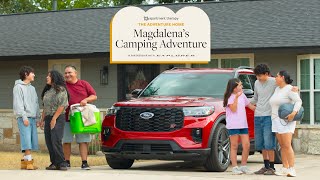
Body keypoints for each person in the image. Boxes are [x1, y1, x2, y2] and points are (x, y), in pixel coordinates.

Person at [251, 64, 298, 175]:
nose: (258, 78)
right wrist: (245, 102)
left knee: (270, 143)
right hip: (259, 115)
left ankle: (273, 167)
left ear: (267, 74)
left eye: (260, 75)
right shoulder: (257, 83)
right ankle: (266, 166)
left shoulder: (274, 82)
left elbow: (288, 88)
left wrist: (297, 88)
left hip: (270, 116)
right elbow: (256, 98)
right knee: (261, 143)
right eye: (256, 75)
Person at [63, 65, 97, 170]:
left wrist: (86, 100)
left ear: (75, 73)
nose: (67, 75)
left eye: (70, 72)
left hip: (82, 117)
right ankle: (67, 162)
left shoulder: (84, 84)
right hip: (66, 117)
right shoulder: (63, 86)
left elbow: (94, 96)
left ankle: (84, 162)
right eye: (66, 73)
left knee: (83, 140)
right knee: (66, 140)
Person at [269, 70, 302, 177]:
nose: (275, 78)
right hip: (275, 120)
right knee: (282, 145)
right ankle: (285, 167)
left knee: (287, 145)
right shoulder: (277, 89)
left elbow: (298, 101)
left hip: (286, 120)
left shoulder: (290, 89)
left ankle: (292, 169)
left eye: (277, 76)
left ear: (282, 77)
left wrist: (294, 112)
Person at [223, 78, 256, 175]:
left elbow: (250, 106)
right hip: (233, 125)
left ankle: (243, 166)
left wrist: (262, 109)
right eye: (240, 85)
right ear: (234, 88)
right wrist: (236, 97)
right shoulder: (229, 97)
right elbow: (233, 109)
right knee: (234, 146)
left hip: (243, 124)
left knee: (246, 145)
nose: (242, 87)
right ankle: (234, 167)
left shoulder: (243, 96)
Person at [13, 66, 40, 170]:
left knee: (32, 141)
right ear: (26, 74)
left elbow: (36, 104)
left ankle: (25, 163)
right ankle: (29, 162)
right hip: (24, 118)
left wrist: (37, 118)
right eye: (32, 73)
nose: (34, 75)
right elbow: (18, 103)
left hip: (33, 117)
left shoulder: (32, 88)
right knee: (27, 140)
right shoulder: (18, 87)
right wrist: (24, 117)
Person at [41, 70, 69, 171]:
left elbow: (62, 105)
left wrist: (54, 119)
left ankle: (62, 163)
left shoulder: (61, 90)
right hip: (48, 117)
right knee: (49, 141)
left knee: (56, 139)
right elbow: (45, 106)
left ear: (54, 77)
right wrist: (42, 119)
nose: (47, 77)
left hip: (58, 117)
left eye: (49, 76)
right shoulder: (48, 91)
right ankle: (54, 163)